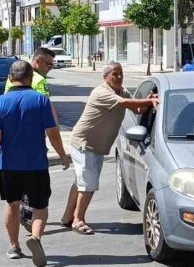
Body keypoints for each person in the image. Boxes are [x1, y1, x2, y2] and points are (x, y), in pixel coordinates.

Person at [0, 60, 70, 267]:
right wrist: (63, 156)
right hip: (36, 164)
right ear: (31, 78)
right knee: (40, 207)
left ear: (10, 78)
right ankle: (36, 238)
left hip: (8, 165)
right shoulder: (41, 101)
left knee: (12, 204)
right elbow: (53, 133)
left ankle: (14, 246)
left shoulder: (0, 102)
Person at [61, 63, 159, 235]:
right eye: (115, 74)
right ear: (106, 76)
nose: (119, 77)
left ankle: (68, 216)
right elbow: (125, 103)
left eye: (121, 73)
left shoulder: (121, 90)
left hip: (96, 145)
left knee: (81, 181)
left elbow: (137, 108)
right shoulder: (101, 92)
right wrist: (150, 100)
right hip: (85, 143)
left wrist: (149, 100)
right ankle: (78, 219)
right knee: (88, 184)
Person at [5, 48, 60, 233]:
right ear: (37, 62)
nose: (51, 68)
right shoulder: (38, 81)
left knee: (12, 200)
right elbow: (48, 114)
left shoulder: (11, 80)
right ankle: (31, 224)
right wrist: (61, 152)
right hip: (33, 145)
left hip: (10, 147)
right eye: (49, 64)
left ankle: (14, 244)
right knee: (39, 196)